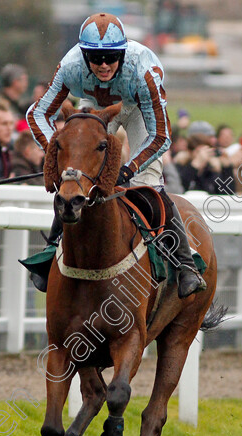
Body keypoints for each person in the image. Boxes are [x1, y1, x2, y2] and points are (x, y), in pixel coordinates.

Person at [26, 12, 205, 297]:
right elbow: (36, 114)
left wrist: (130, 168)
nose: (104, 64)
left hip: (138, 109)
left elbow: (161, 136)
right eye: (96, 59)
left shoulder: (143, 72)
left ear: (122, 52)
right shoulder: (70, 67)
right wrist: (57, 156)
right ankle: (51, 250)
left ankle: (185, 265)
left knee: (147, 184)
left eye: (111, 56)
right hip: (95, 108)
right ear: (84, 56)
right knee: (73, 178)